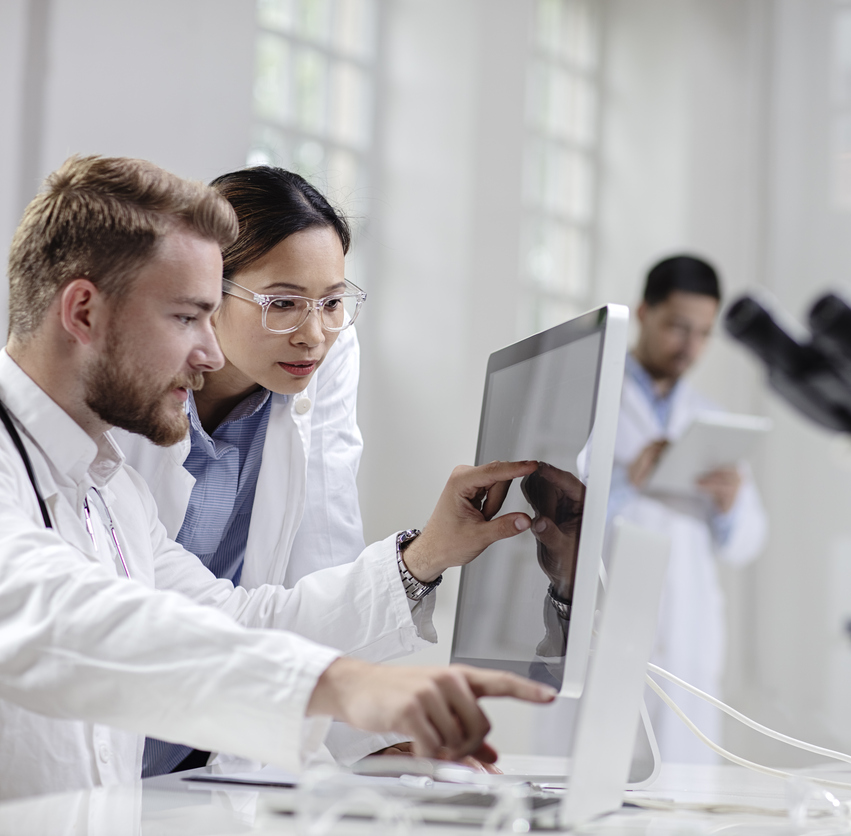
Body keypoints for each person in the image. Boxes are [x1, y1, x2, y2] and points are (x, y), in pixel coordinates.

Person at [0, 154, 553, 801]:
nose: (208, 354)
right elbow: (57, 611)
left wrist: (424, 558)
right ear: (85, 312)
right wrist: (344, 687)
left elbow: (240, 622)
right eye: (186, 318)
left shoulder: (114, 491)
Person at [113, 166, 420, 774]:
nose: (313, 334)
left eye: (333, 302)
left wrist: (369, 734)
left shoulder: (323, 354)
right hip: (114, 716)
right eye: (282, 303)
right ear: (207, 290)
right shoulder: (134, 374)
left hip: (203, 744)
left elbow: (325, 542)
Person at [608, 254, 768, 763]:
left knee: (683, 791)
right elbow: (550, 511)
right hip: (610, 629)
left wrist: (730, 505)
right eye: (678, 327)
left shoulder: (710, 419)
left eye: (703, 333)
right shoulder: (595, 396)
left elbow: (748, 543)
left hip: (689, 636)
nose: (690, 347)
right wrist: (627, 482)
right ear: (643, 312)